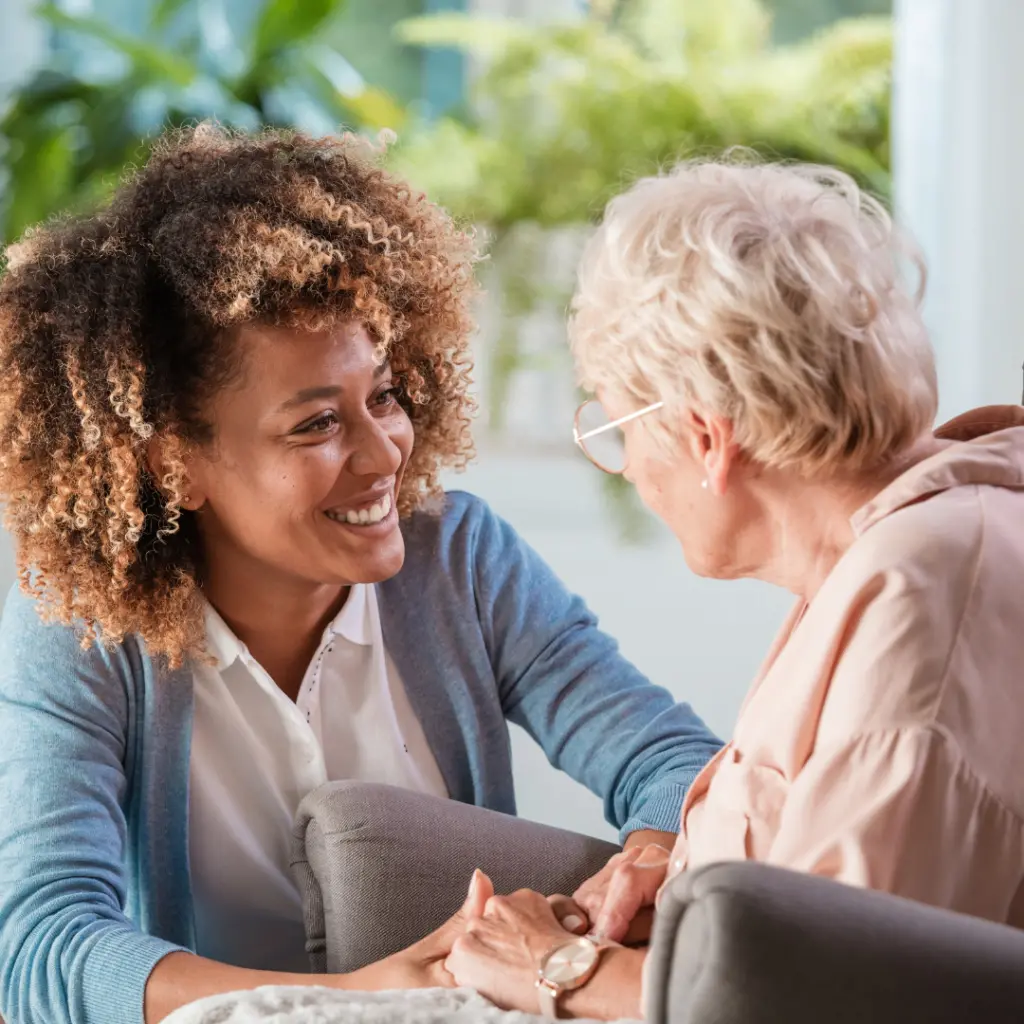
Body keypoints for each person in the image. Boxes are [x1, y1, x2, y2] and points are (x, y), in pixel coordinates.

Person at [0, 125, 723, 1024]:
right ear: (172, 462)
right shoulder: (80, 627)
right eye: (315, 425)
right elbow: (43, 948)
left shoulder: (460, 560)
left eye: (382, 396)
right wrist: (344, 1003)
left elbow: (673, 762)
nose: (385, 453)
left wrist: (636, 878)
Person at [442, 159, 1024, 1019]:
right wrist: (687, 890)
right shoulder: (898, 551)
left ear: (706, 437)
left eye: (617, 426)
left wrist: (561, 969)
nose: (630, 468)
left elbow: (827, 996)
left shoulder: (920, 596)